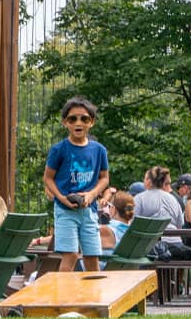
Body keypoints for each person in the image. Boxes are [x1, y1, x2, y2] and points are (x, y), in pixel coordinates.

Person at [42, 96, 109, 272]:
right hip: (65, 210)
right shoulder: (59, 149)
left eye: (84, 118)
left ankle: (94, 298)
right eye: (73, 119)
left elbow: (104, 178)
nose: (78, 123)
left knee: (91, 256)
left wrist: (91, 195)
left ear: (91, 122)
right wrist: (62, 198)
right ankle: (63, 298)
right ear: (65, 123)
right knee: (70, 255)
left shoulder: (99, 150)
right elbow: (48, 178)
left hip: (89, 210)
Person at [134, 166, 185, 251]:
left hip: (150, 246)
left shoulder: (139, 198)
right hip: (175, 244)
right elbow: (180, 225)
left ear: (150, 181)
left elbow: (133, 223)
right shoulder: (173, 199)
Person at [98, 191, 136, 269]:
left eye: (108, 206)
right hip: (125, 272)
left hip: (104, 273)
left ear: (113, 209)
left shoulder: (107, 231)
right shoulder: (134, 231)